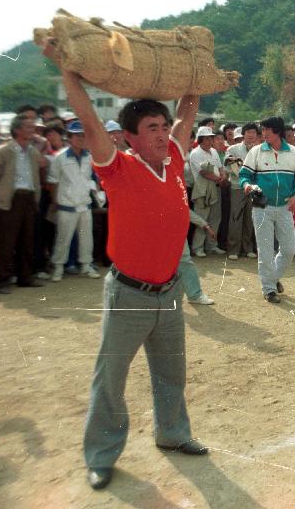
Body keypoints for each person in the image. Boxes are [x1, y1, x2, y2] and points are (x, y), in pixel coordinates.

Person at [50, 49, 206, 489]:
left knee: (171, 371)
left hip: (169, 291)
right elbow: (88, 118)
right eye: (151, 129)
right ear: (130, 138)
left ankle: (173, 434)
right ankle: (101, 456)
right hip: (129, 293)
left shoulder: (174, 159)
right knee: (111, 378)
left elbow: (187, 114)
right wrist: (67, 71)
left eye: (163, 127)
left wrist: (194, 77)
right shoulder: (117, 167)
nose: (161, 134)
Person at [239, 117, 295, 303]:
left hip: (285, 206)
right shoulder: (256, 151)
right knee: (265, 249)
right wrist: (246, 185)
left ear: (277, 131)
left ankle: (273, 278)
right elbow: (244, 175)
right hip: (261, 205)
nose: (264, 133)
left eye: (267, 129)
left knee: (290, 248)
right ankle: (269, 289)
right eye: (263, 129)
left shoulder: (294, 152)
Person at [0, 114, 45, 293]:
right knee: (7, 241)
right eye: (28, 127)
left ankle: (25, 277)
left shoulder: (32, 151)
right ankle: (3, 280)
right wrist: (2, 189)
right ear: (17, 130)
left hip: (28, 197)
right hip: (11, 198)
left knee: (27, 239)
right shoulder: (3, 150)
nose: (32, 130)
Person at [46, 121, 101, 281]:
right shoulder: (60, 158)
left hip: (84, 205)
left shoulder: (89, 157)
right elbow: (53, 182)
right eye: (77, 136)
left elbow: (93, 179)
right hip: (66, 206)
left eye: (83, 136)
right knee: (63, 238)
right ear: (69, 138)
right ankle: (58, 268)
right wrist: (55, 202)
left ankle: (86, 266)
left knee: (86, 239)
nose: (81, 139)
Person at [189, 127, 226, 257]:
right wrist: (219, 179)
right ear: (200, 139)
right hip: (203, 190)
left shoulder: (214, 151)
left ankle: (211, 246)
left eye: (211, 137)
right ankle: (197, 247)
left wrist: (222, 175)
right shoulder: (195, 153)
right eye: (207, 138)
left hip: (216, 187)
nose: (210, 140)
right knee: (202, 219)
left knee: (215, 219)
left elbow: (220, 167)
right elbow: (203, 172)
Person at [224, 123, 259, 260]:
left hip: (253, 188)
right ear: (243, 134)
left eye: (253, 132)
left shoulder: (259, 149)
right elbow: (227, 168)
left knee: (250, 218)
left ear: (257, 135)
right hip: (237, 187)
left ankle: (248, 248)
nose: (251, 135)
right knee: (236, 218)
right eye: (248, 132)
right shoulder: (233, 149)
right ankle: (233, 249)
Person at [181, 209, 216, 305]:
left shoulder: (178, 194)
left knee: (185, 261)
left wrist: (205, 225)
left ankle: (194, 295)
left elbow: (185, 210)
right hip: (156, 228)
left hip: (175, 229)